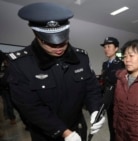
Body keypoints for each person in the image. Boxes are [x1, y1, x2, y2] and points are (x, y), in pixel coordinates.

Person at [7, 2, 105, 141]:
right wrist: (65, 133)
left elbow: (91, 89)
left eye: (63, 41)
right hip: (46, 133)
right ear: (37, 35)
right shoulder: (21, 64)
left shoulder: (80, 57)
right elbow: (30, 108)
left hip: (78, 128)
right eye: (51, 43)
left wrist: (96, 109)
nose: (59, 48)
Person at [99, 37, 124, 141]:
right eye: (105, 47)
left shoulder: (121, 64)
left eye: (109, 46)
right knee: (111, 125)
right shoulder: (105, 64)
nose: (106, 49)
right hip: (108, 99)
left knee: (119, 126)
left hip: (118, 100)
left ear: (116, 48)